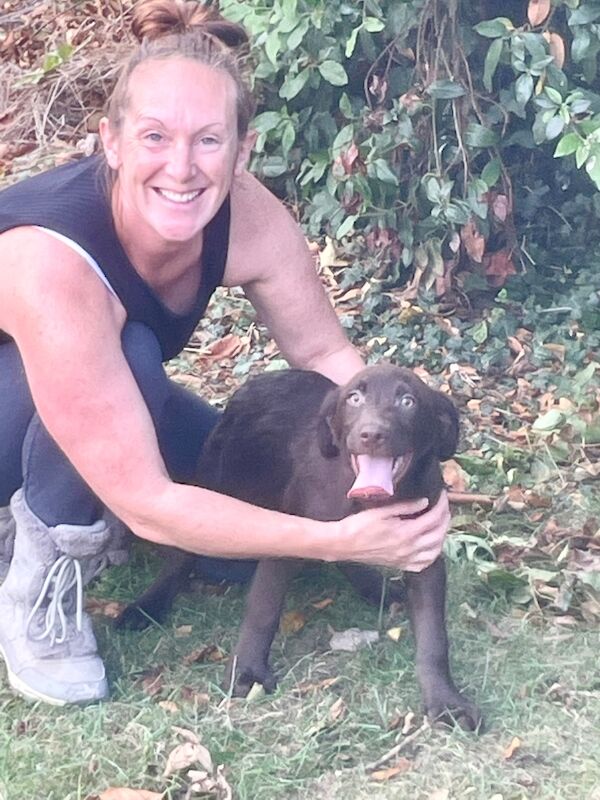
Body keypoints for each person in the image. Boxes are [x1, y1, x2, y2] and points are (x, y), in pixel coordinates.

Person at [0, 0, 450, 706]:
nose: (181, 168)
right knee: (136, 355)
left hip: (91, 381)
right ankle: (39, 577)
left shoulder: (248, 217)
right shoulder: (48, 262)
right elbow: (150, 503)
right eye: (154, 136)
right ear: (110, 143)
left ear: (241, 153)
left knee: (230, 541)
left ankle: (73, 493)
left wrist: (391, 456)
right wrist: (339, 541)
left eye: (208, 141)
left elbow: (329, 355)